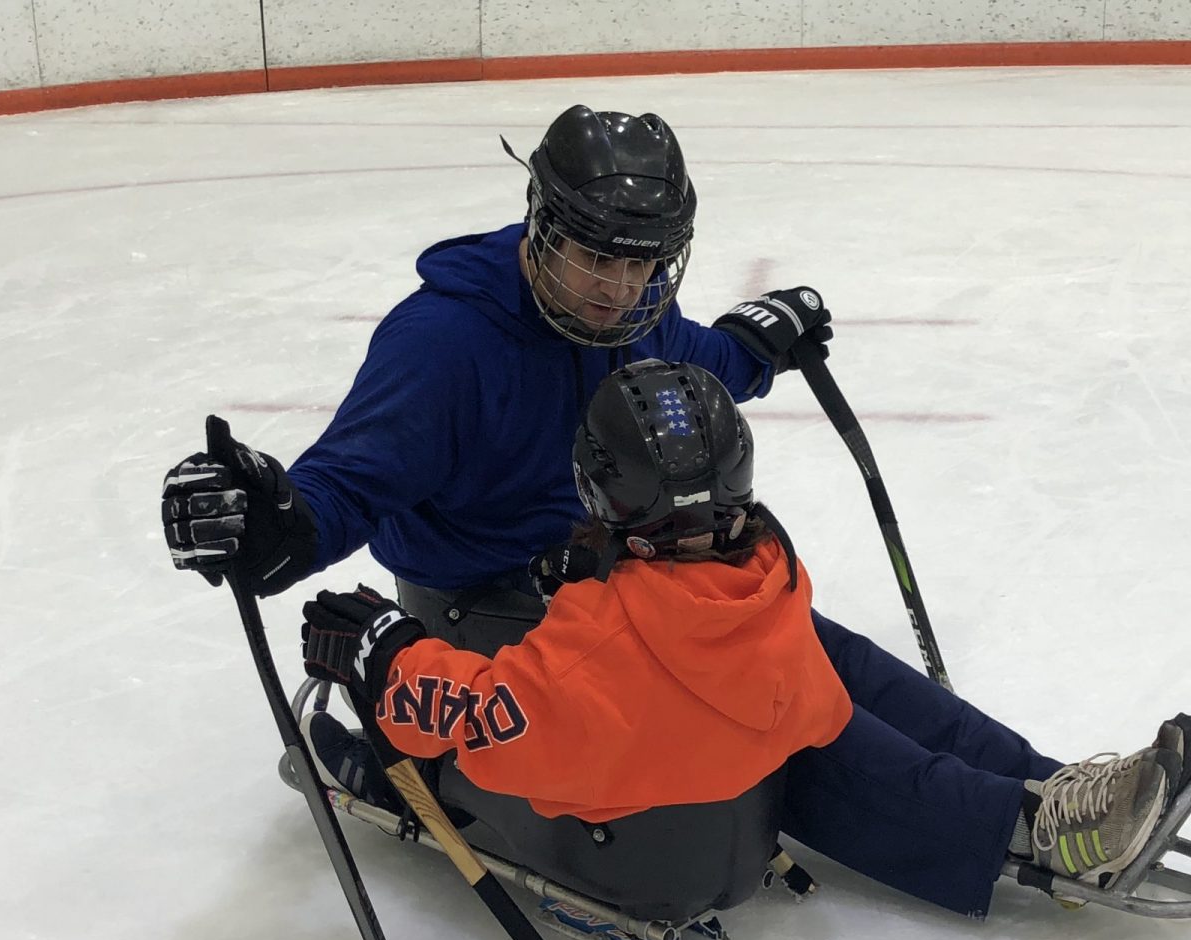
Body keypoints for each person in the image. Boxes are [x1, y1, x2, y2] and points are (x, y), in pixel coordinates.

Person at [296, 360, 1191, 920]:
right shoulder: (764, 559)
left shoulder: (597, 642)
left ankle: (1039, 813)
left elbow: (483, 716)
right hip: (747, 691)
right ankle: (1040, 798)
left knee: (838, 719)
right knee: (838, 672)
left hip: (681, 752)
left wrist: (385, 651)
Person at [161, 103, 833, 657]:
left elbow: (692, 360)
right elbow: (349, 481)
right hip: (479, 606)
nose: (623, 290)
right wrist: (275, 527)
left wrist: (754, 347)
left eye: (645, 263)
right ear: (543, 224)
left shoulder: (629, 311)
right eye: (598, 257)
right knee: (728, 693)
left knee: (789, 645)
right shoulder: (443, 344)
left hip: (607, 573)